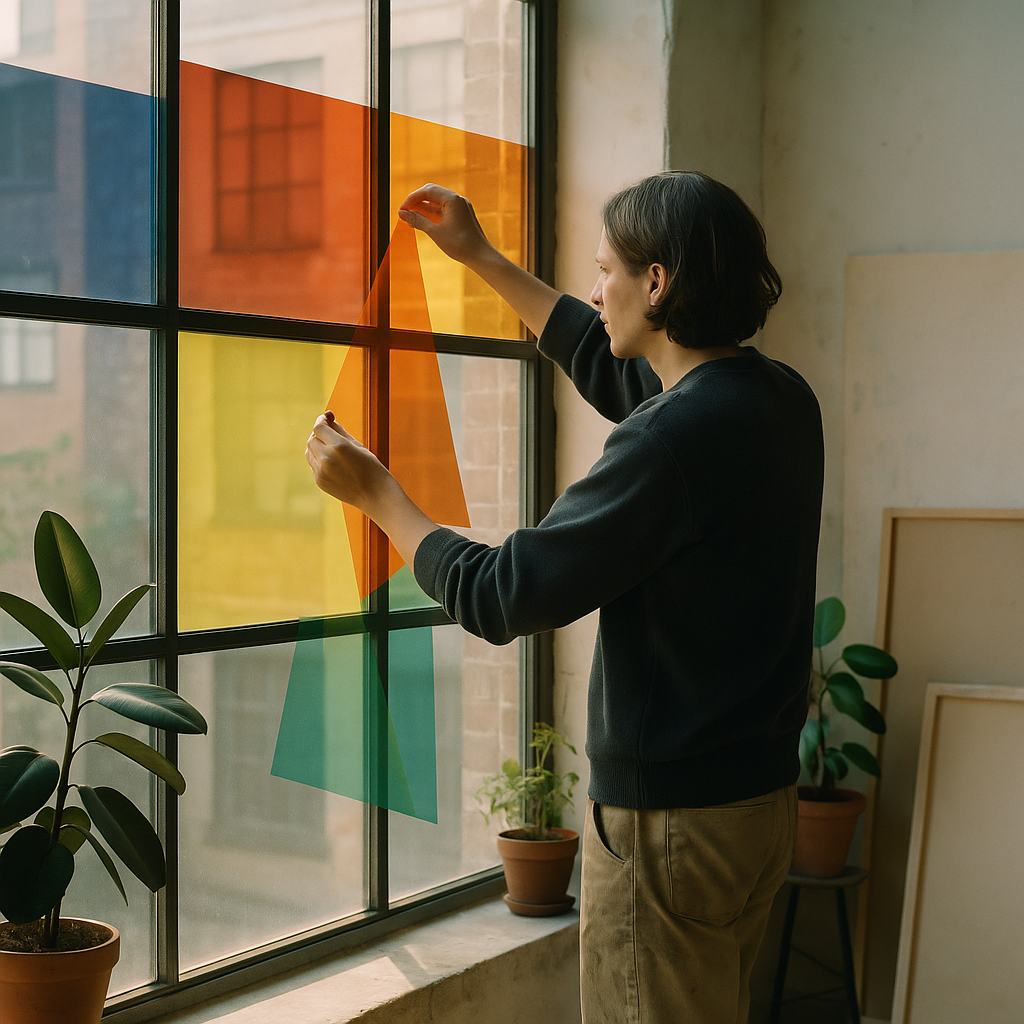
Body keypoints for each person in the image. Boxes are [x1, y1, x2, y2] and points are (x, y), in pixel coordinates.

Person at [306, 171, 824, 1024]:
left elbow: (502, 595)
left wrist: (379, 498)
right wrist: (480, 257)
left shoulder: (669, 442)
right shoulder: (778, 401)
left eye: (606, 271)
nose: (593, 290)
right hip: (757, 808)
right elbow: (609, 359)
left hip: (673, 830)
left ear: (657, 284)